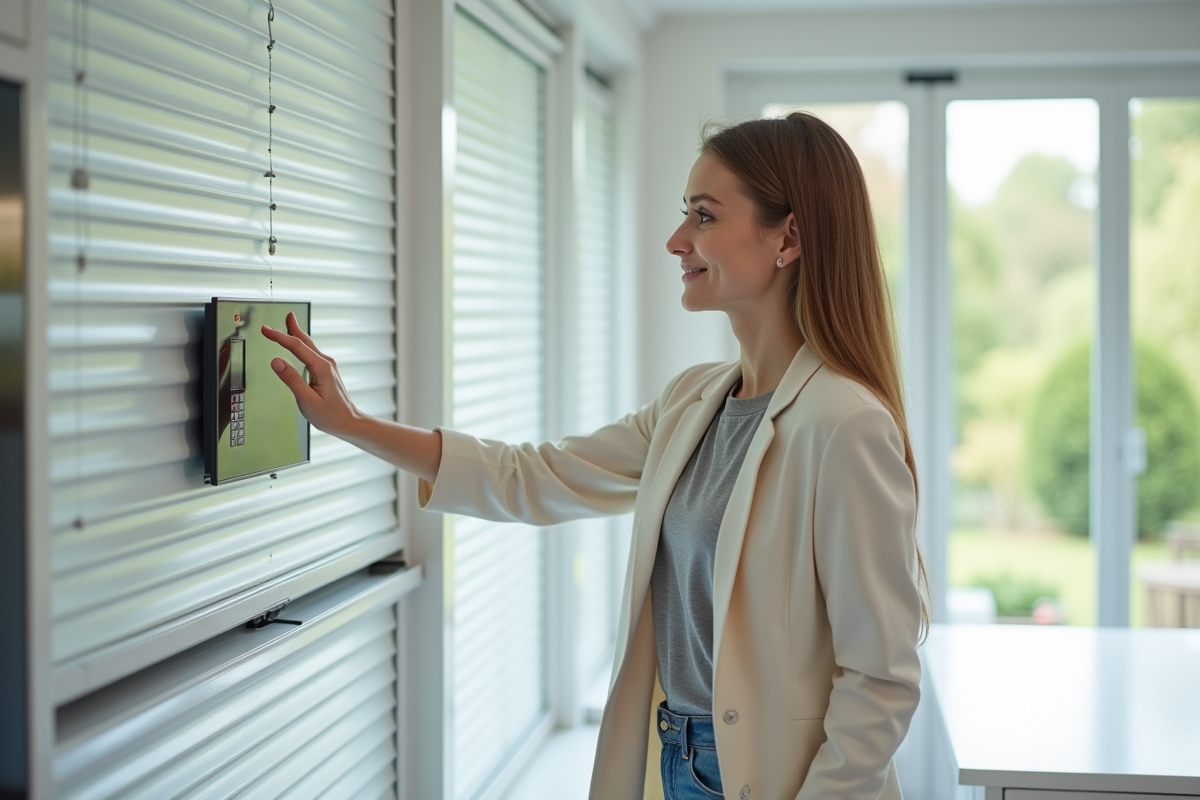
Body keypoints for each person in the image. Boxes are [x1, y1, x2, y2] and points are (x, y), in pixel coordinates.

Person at [262, 111, 927, 800]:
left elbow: (880, 678)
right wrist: (352, 424)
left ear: (788, 237)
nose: (676, 240)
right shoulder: (692, 403)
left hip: (778, 780)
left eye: (703, 215)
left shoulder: (846, 426)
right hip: (677, 758)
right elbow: (534, 476)